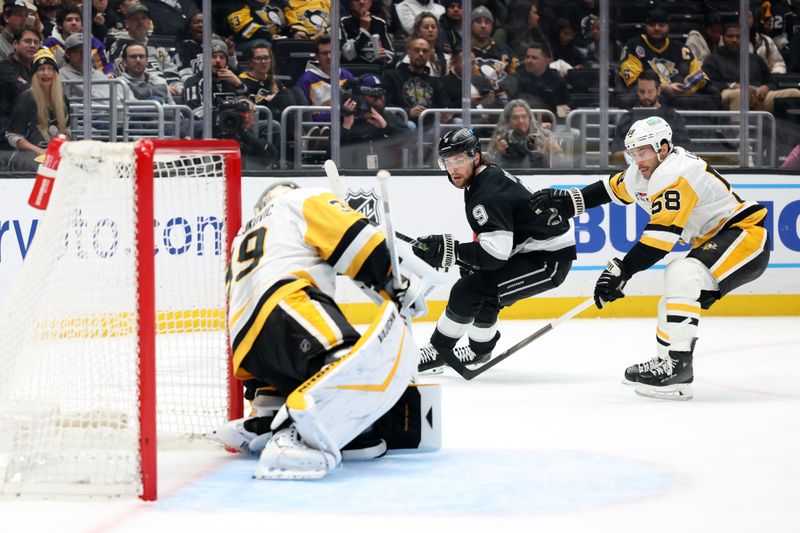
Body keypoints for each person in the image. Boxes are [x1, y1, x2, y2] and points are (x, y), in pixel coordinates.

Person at [530, 116, 770, 400]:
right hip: (715, 240)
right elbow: (608, 190)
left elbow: (660, 242)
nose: (637, 160)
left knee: (681, 273)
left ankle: (679, 369)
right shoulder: (642, 172)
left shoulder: (677, 174)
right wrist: (568, 203)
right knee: (674, 291)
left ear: (663, 148)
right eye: (633, 153)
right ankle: (666, 361)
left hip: (745, 236)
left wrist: (622, 271)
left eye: (642, 152)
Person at [220, 180, 436, 479]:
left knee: (294, 372)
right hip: (285, 306)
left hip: (244, 344)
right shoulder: (300, 199)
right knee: (346, 362)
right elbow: (356, 239)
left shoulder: (243, 234)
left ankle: (267, 413)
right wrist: (393, 281)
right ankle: (296, 435)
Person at [412, 128, 576, 374]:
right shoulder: (482, 179)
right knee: (478, 282)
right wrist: (462, 255)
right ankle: (480, 350)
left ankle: (439, 350)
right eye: (447, 161)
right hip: (528, 249)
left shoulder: (486, 193)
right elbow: (497, 244)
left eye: (459, 160)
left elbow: (494, 255)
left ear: (476, 157)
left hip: (548, 260)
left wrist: (452, 251)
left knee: (469, 289)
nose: (453, 168)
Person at [703, 23, 800, 113]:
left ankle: (793, 130)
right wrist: (732, 85)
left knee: (795, 93)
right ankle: (738, 131)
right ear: (723, 38)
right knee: (740, 94)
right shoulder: (713, 59)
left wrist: (766, 87)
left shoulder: (755, 58)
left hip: (759, 96)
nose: (734, 40)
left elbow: (773, 82)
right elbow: (707, 83)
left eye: (738, 37)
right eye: (730, 36)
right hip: (730, 95)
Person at [619, 8, 707, 104]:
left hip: (680, 96)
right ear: (645, 27)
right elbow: (634, 82)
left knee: (711, 91)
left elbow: (700, 75)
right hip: (648, 97)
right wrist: (664, 88)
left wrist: (686, 88)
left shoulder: (681, 49)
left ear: (668, 27)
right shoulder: (633, 46)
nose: (657, 28)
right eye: (652, 25)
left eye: (661, 25)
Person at [5, 48, 70, 171]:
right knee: (41, 166)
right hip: (26, 155)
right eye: (41, 69)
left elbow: (66, 131)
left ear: (56, 73)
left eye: (50, 69)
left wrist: (57, 147)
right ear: (35, 74)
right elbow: (13, 137)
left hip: (53, 153)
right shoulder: (25, 99)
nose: (46, 73)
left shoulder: (63, 100)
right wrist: (39, 151)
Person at [611, 71, 690, 161]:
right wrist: (638, 154)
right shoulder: (628, 118)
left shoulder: (672, 116)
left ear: (658, 90)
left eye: (650, 91)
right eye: (642, 91)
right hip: (635, 168)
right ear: (637, 91)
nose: (645, 96)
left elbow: (685, 150)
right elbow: (615, 154)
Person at [340, 73, 413, 168]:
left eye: (381, 94)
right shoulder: (345, 119)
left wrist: (386, 127)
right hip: (353, 175)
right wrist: (346, 127)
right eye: (373, 94)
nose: (379, 99)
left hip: (386, 173)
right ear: (360, 97)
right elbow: (330, 155)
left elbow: (412, 141)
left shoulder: (389, 118)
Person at [503, 42, 569, 119]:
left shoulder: (556, 79)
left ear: (547, 61)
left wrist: (560, 114)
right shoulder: (516, 76)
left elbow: (563, 106)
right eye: (527, 57)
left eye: (534, 58)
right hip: (521, 121)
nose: (528, 60)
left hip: (549, 123)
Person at [42, 6, 114, 76]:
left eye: (77, 20)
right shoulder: (49, 44)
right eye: (69, 20)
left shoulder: (93, 43)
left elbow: (106, 67)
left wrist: (109, 74)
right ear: (60, 25)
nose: (74, 23)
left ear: (82, 25)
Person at [488, 98, 561, 168]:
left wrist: (554, 153)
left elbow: (559, 166)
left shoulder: (544, 135)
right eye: (515, 118)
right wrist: (500, 153)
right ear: (508, 121)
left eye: (524, 116)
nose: (521, 121)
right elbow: (491, 166)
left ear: (530, 118)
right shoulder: (501, 138)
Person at [340, 0, 394, 66]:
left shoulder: (379, 23)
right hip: (353, 70)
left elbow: (391, 54)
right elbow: (348, 55)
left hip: (376, 70)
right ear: (350, 4)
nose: (362, 2)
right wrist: (364, 30)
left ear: (370, 3)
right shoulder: (343, 22)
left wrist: (385, 56)